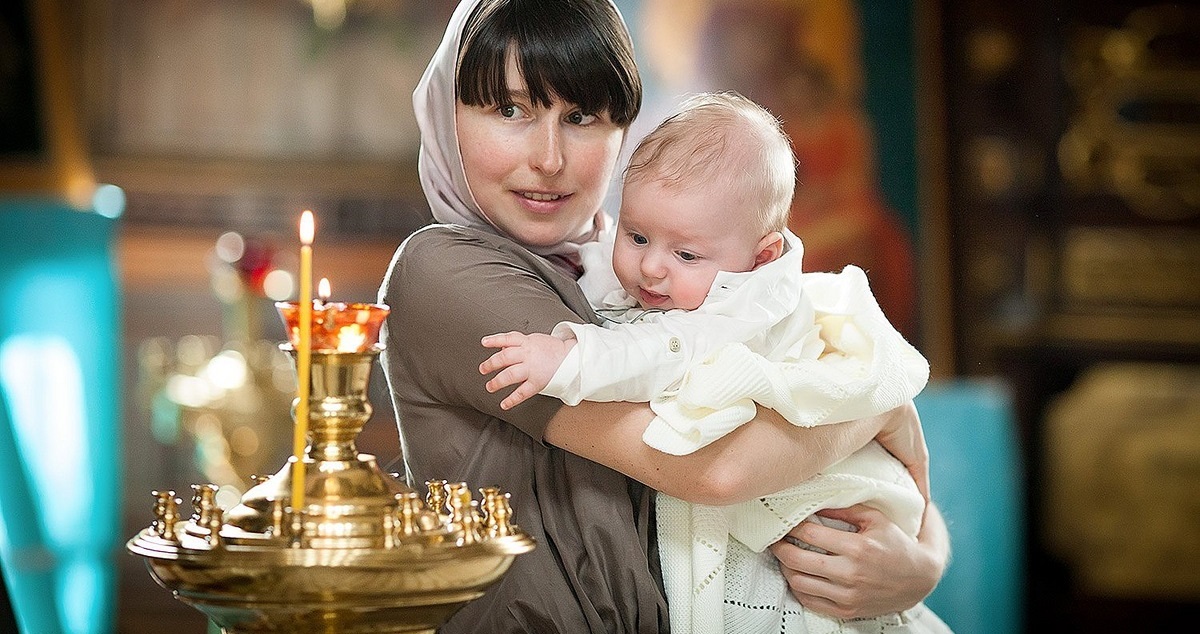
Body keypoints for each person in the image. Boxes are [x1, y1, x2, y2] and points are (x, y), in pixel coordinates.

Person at [378, 1, 949, 632]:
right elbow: (716, 467)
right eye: (510, 109)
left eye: (581, 117)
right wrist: (877, 402)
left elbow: (824, 393)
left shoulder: (645, 264)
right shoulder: (444, 274)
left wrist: (922, 561)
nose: (548, 157)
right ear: (444, 113)